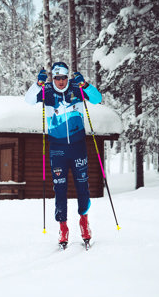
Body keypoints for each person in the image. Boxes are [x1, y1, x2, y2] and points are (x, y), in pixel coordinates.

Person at [25, 61, 103, 246]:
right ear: (53, 78)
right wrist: (38, 84)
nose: (60, 81)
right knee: (60, 189)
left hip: (77, 146)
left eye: (63, 78)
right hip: (57, 148)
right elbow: (28, 100)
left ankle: (84, 222)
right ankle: (63, 227)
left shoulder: (77, 88)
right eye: (57, 78)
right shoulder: (48, 91)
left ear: (68, 77)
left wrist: (86, 85)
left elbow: (97, 98)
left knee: (82, 186)